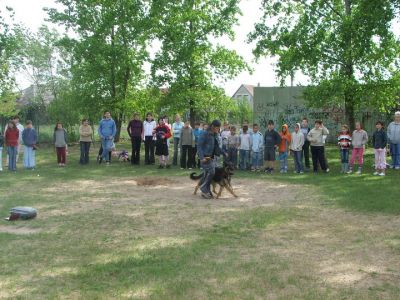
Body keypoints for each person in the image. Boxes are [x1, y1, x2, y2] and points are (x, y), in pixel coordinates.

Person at [197, 120, 221, 199]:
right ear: (213, 126)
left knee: (207, 174)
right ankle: (204, 188)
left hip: (211, 157)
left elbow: (217, 146)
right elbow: (199, 146)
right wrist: (201, 157)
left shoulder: (214, 134)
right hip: (205, 157)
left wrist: (224, 153)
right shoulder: (204, 133)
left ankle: (206, 190)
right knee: (211, 171)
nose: (218, 130)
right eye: (217, 128)